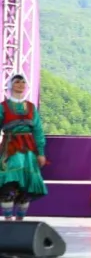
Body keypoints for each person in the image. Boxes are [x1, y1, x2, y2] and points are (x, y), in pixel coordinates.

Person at [0, 74, 47, 221]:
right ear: (10, 86)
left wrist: (40, 153)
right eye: (17, 82)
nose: (20, 84)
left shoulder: (31, 108)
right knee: (7, 184)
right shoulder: (3, 107)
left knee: (26, 188)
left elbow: (38, 131)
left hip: (28, 152)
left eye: (23, 82)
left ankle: (20, 222)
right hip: (10, 149)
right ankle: (8, 222)